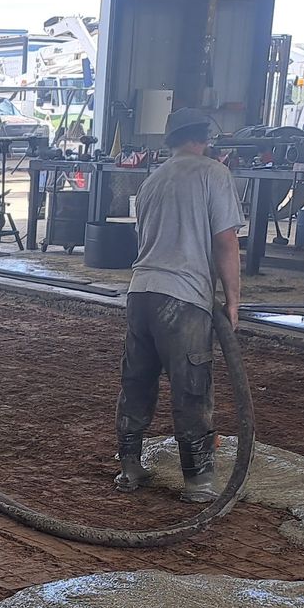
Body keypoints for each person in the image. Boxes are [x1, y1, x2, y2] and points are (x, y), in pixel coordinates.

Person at [116, 107, 244, 504]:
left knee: (137, 382)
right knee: (191, 389)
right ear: (204, 137)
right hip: (184, 297)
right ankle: (199, 482)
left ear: (170, 139)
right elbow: (226, 241)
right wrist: (233, 301)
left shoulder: (154, 179)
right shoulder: (213, 173)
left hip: (141, 293)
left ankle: (129, 466)